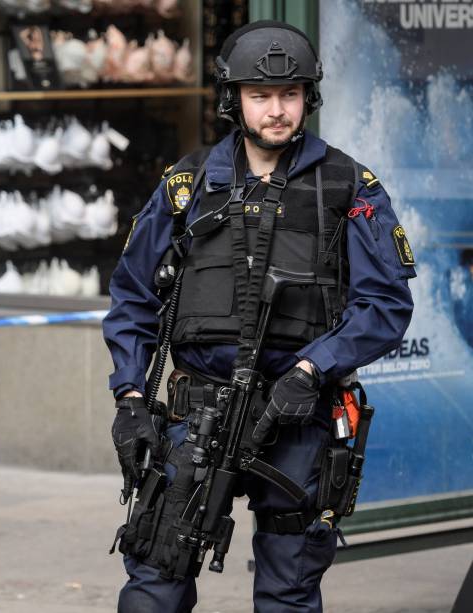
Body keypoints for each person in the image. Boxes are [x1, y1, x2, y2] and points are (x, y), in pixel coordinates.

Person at [103, 21, 414, 612]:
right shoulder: (187, 185)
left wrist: (313, 369)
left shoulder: (349, 185)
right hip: (197, 418)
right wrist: (130, 400)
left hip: (298, 421)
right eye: (261, 96)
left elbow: (386, 303)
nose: (277, 110)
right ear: (233, 100)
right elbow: (132, 300)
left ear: (308, 98)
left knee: (288, 595)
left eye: (290, 95)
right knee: (153, 582)